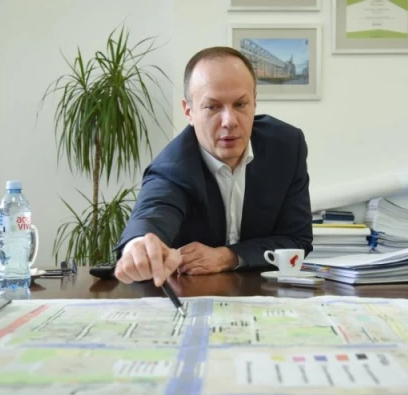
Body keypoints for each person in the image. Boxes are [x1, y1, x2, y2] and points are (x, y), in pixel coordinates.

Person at [114, 46, 313, 286]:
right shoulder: (173, 165)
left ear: (254, 103)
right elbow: (154, 211)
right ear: (189, 111)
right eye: (213, 107)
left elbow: (297, 240)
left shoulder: (287, 147)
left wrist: (227, 257)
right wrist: (138, 246)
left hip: (266, 292)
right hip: (190, 293)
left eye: (240, 104)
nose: (229, 121)